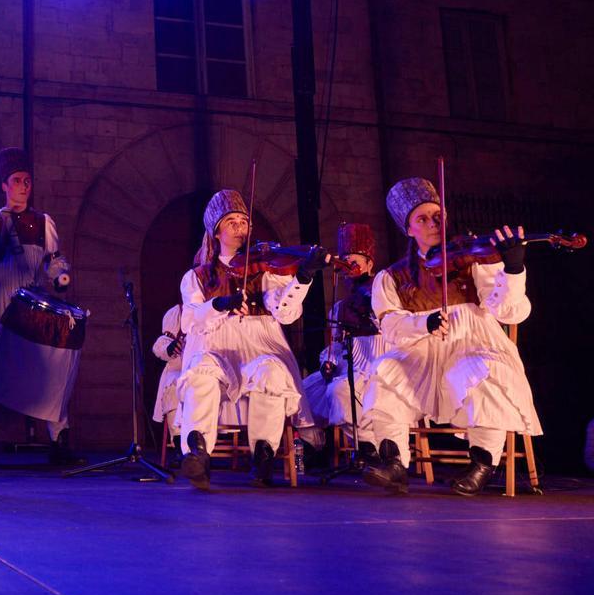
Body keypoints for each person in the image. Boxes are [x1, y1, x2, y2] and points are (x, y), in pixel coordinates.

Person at [362, 177, 539, 495]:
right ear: (409, 229)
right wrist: (423, 324)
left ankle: (482, 463)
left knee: (486, 371)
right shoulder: (391, 276)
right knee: (384, 370)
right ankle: (395, 464)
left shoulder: (474, 261)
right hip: (423, 350)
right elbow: (390, 326)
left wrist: (513, 270)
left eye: (438, 217)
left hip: (473, 341)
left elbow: (510, 313)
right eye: (423, 219)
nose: (433, 224)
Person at [175, 189, 326, 489]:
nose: (239, 227)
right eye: (231, 221)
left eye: (244, 222)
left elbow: (285, 312)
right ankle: (198, 453)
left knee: (272, 371)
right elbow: (191, 319)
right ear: (216, 231)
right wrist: (221, 303)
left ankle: (263, 455)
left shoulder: (265, 269)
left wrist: (303, 278)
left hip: (259, 344)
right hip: (216, 345)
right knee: (200, 373)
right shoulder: (198, 276)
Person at [0, 147, 76, 465]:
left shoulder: (42, 221)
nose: (23, 185)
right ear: (4, 185)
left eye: (27, 181)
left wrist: (59, 276)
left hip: (30, 307)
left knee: (46, 370)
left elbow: (52, 261)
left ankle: (59, 439)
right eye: (17, 180)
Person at [300, 223, 385, 465]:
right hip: (348, 364)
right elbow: (336, 345)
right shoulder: (340, 307)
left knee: (340, 392)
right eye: (345, 262)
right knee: (300, 393)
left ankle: (370, 449)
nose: (350, 267)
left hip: (376, 363)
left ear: (369, 264)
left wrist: (371, 299)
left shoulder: (381, 293)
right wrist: (330, 361)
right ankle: (317, 446)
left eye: (356, 262)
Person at [150, 303, 185, 462]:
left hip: (209, 368)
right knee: (174, 383)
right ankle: (179, 445)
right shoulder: (178, 312)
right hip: (180, 369)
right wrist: (171, 348)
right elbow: (162, 345)